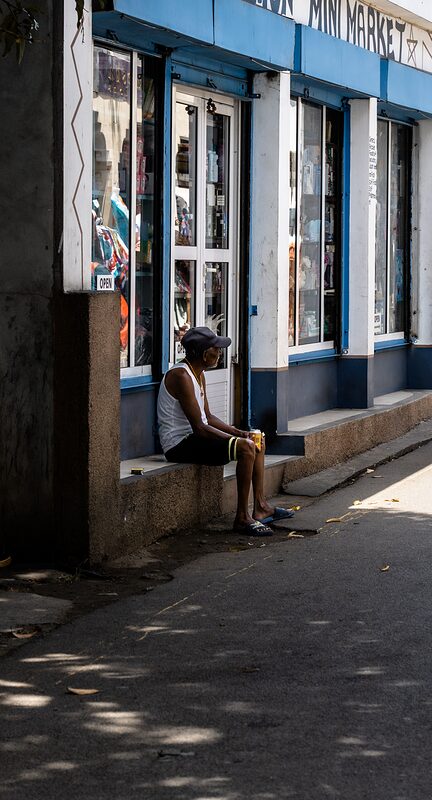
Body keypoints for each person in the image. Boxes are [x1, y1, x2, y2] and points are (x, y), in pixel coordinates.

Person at [157, 326, 295, 536]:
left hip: (194, 438)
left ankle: (260, 507)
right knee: (246, 448)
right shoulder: (181, 375)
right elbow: (200, 427)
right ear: (204, 354)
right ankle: (242, 518)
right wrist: (237, 440)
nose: (220, 353)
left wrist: (240, 433)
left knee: (257, 439)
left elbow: (208, 417)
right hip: (179, 445)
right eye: (216, 349)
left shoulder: (197, 373)